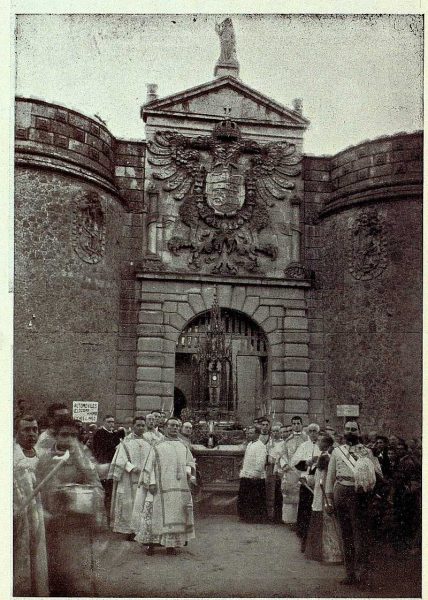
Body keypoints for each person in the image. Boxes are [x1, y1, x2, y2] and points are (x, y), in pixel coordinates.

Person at [37, 416, 106, 596]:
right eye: (64, 434)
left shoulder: (83, 456)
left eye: (73, 435)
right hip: (53, 526)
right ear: (55, 436)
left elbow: (97, 486)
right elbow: (37, 490)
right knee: (56, 575)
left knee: (79, 578)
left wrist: (79, 494)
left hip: (78, 526)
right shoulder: (44, 458)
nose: (68, 439)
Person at [325, 420, 382, 586]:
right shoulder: (337, 452)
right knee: (345, 535)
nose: (350, 432)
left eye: (353, 429)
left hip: (359, 495)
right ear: (343, 431)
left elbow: (378, 473)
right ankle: (349, 573)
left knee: (360, 535)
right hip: (340, 492)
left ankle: (362, 573)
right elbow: (330, 476)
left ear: (359, 431)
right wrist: (329, 499)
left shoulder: (367, 452)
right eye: (347, 429)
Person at [134, 417, 196, 555]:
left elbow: (189, 463)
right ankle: (151, 545)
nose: (174, 428)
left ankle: (171, 545)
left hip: (178, 488)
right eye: (172, 425)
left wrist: (188, 473)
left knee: (175, 515)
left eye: (177, 426)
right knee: (154, 515)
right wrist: (151, 483)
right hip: (159, 488)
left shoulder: (183, 445)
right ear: (166, 427)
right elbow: (150, 466)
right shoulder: (157, 445)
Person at [13, 414, 49, 597]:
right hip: (16, 515)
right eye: (27, 429)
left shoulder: (41, 455)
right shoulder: (10, 456)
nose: (32, 434)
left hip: (38, 515)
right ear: (16, 432)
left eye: (35, 429)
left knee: (37, 557)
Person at [108, 416, 152, 539]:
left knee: (143, 503)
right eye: (138, 425)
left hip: (144, 477)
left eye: (143, 425)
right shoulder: (125, 442)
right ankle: (129, 531)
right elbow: (120, 459)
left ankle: (142, 529)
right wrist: (132, 468)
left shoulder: (150, 442)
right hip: (128, 478)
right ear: (133, 426)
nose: (141, 427)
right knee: (129, 504)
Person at [305, 434, 343, 564]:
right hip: (319, 488)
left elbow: (323, 473)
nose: (318, 442)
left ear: (326, 444)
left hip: (324, 490)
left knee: (325, 519)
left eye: (320, 441)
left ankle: (330, 553)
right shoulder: (323, 456)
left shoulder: (326, 457)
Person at [291, 423, 321, 549]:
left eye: (315, 431)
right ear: (307, 433)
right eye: (310, 431)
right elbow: (294, 463)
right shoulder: (303, 446)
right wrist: (307, 462)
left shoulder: (322, 446)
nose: (313, 433)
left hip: (319, 483)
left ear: (318, 433)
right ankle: (304, 540)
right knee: (305, 511)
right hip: (306, 482)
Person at [92, 414, 125, 519]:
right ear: (104, 422)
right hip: (104, 465)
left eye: (113, 422)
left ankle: (110, 515)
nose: (111, 424)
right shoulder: (99, 433)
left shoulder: (114, 434)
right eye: (109, 422)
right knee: (104, 492)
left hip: (113, 465)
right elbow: (101, 449)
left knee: (111, 492)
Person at [278, 416, 308, 524]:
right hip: (291, 471)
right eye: (294, 423)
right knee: (290, 495)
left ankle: (301, 520)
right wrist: (284, 464)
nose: (296, 426)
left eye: (298, 423)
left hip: (302, 471)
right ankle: (290, 520)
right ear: (291, 425)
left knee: (302, 495)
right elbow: (283, 454)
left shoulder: (306, 439)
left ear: (301, 424)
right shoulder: (287, 440)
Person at [237, 425, 268, 523]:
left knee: (254, 498)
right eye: (248, 433)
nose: (248, 435)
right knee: (245, 496)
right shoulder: (250, 444)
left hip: (255, 477)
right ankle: (245, 516)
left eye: (251, 433)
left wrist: (256, 473)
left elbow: (261, 461)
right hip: (246, 474)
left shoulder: (261, 446)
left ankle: (255, 518)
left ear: (257, 434)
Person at [266, 422, 283, 523]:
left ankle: (278, 515)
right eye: (274, 431)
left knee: (279, 491)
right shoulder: (270, 443)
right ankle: (270, 514)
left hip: (279, 468)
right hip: (270, 468)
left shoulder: (283, 443)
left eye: (277, 431)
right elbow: (268, 455)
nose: (275, 433)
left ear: (280, 432)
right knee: (270, 490)